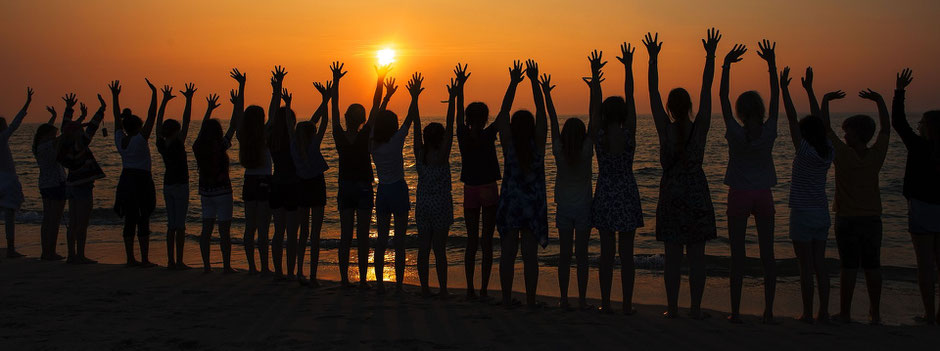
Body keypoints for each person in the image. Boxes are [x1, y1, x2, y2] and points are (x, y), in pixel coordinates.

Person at [644, 29, 720, 319]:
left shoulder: (665, 129)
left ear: (670, 108)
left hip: (672, 195)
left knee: (672, 257)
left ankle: (673, 308)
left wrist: (653, 59)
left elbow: (652, 93)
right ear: (689, 107)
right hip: (697, 193)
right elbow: (706, 88)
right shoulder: (700, 127)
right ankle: (696, 309)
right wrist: (710, 56)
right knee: (697, 258)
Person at [719, 40, 780, 323]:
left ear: (741, 112)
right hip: (763, 194)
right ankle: (768, 311)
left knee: (737, 255)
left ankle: (735, 311)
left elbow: (721, 96)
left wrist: (726, 65)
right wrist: (771, 64)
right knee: (768, 254)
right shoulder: (769, 131)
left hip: (740, 194)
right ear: (760, 109)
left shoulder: (735, 132)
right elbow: (776, 96)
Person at [587, 47, 644, 314]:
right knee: (627, 255)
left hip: (607, 191)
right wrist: (629, 67)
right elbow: (631, 96)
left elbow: (594, 111)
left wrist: (595, 77)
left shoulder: (598, 135)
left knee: (607, 254)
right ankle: (628, 305)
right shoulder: (629, 132)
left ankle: (607, 303)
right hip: (627, 191)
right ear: (622, 115)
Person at [781, 67, 837, 324]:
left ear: (804, 134)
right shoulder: (828, 151)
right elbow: (822, 122)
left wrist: (784, 89)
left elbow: (792, 118)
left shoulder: (804, 150)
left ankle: (807, 313)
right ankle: (823, 311)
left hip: (802, 214)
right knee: (820, 265)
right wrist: (810, 90)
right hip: (822, 213)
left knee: (805, 268)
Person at [497, 60, 549, 308]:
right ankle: (529, 301)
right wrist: (534, 82)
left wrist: (513, 83)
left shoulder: (508, 144)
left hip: (510, 203)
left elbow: (502, 114)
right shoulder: (537, 144)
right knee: (530, 256)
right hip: (532, 206)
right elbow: (542, 114)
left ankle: (506, 299)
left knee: (507, 254)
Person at [891, 69, 940, 325]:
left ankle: (930, 314)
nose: (918, 125)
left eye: (921, 123)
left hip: (921, 209)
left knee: (925, 265)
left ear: (927, 128)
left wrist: (899, 91)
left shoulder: (919, 146)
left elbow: (898, 122)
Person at [455, 64, 500, 299]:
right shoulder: (488, 134)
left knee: (472, 240)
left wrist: (460, 87)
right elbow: (505, 111)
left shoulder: (462, 134)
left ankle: (471, 288)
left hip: (471, 188)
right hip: (488, 188)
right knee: (486, 240)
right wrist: (513, 83)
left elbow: (457, 113)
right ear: (484, 119)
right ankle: (482, 288)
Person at [330, 61, 374, 288]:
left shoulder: (339, 135)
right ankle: (364, 280)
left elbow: (334, 110)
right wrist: (379, 81)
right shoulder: (366, 134)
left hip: (347, 186)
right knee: (363, 236)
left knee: (346, 235)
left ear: (348, 118)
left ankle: (345, 279)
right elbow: (376, 107)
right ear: (363, 119)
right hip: (363, 186)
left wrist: (336, 83)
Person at [370, 68, 414, 294]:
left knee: (382, 240)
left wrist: (385, 97)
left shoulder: (373, 144)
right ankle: (397, 284)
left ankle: (378, 283)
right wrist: (414, 97)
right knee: (399, 240)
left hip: (383, 191)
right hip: (398, 189)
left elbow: (375, 115)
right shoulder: (397, 140)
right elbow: (409, 119)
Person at [413, 73, 454, 297]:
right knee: (439, 251)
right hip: (441, 206)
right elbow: (451, 125)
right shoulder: (443, 155)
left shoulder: (420, 154)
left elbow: (416, 127)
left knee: (423, 249)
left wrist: (415, 99)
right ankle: (444, 289)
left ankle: (425, 288)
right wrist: (453, 99)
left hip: (423, 206)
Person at [109, 79, 158, 267]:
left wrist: (115, 96)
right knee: (143, 218)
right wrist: (155, 95)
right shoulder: (140, 139)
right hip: (142, 180)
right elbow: (152, 115)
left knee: (130, 219)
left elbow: (116, 118)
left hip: (126, 180)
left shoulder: (120, 140)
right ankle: (144, 258)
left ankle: (130, 258)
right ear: (138, 126)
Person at [291, 79, 332, 286]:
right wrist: (326, 100)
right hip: (315, 185)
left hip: (301, 186)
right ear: (311, 134)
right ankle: (313, 274)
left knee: (302, 232)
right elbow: (322, 122)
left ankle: (299, 271)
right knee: (315, 233)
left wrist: (323, 100)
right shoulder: (314, 146)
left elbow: (312, 123)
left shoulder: (293, 146)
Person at [57, 94, 107, 264]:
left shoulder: (63, 146)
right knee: (82, 223)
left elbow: (65, 126)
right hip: (83, 186)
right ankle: (80, 255)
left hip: (70, 185)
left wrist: (69, 108)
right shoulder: (80, 144)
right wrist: (101, 109)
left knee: (72, 223)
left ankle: (71, 255)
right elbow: (93, 127)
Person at [238, 77, 276, 276]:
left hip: (249, 181)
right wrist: (276, 89)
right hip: (264, 181)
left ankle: (252, 267)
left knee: (249, 227)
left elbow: (238, 114)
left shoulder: (242, 135)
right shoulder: (264, 134)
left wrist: (241, 87)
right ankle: (263, 267)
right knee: (263, 228)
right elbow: (274, 112)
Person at [266, 66, 301, 280]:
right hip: (292, 186)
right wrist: (286, 103)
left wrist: (277, 90)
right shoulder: (292, 138)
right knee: (292, 234)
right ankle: (290, 272)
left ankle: (279, 271)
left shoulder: (271, 137)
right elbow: (287, 124)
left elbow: (272, 115)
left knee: (278, 232)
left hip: (276, 184)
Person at [156, 83, 194, 270]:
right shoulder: (177, 143)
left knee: (172, 224)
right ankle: (178, 260)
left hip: (168, 184)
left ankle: (171, 260)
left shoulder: (161, 144)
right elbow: (187, 121)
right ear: (176, 131)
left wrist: (163, 101)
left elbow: (158, 122)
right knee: (180, 225)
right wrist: (188, 99)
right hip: (180, 185)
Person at [33, 94, 74, 260]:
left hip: (44, 184)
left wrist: (53, 117)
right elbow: (64, 133)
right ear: (47, 135)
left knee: (47, 219)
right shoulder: (49, 144)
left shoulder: (37, 146)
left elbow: (50, 131)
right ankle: (50, 252)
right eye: (52, 134)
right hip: (56, 184)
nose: (54, 136)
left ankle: (46, 251)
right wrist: (68, 110)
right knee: (55, 220)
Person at [0, 87, 33, 259]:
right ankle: (11, 248)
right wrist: (27, 103)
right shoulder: (2, 137)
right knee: (9, 215)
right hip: (7, 180)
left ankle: (10, 248)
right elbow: (15, 124)